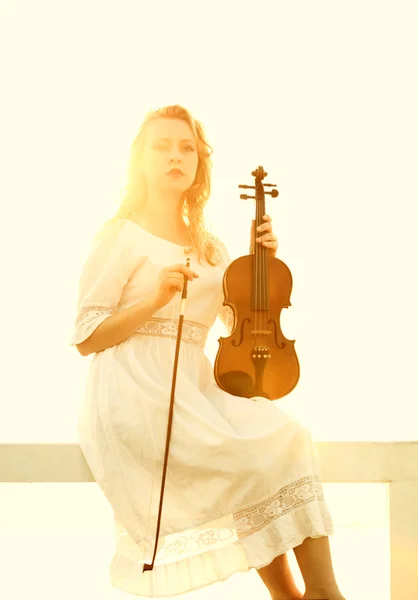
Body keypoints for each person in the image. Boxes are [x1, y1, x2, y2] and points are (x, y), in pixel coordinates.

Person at [69, 104, 347, 600]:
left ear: (200, 164)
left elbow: (240, 327)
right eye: (163, 146)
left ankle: (314, 592)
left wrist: (263, 265)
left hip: (196, 386)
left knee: (287, 438)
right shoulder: (119, 235)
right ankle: (311, 597)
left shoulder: (213, 248)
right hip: (134, 390)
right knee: (252, 454)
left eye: (187, 148)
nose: (176, 156)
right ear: (140, 161)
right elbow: (88, 336)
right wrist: (154, 299)